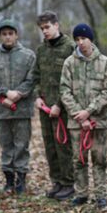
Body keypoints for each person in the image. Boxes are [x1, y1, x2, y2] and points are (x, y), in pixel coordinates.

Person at [60, 23, 107, 208]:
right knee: (79, 159)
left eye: (84, 38)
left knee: (100, 159)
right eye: (77, 39)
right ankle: (81, 193)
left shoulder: (104, 62)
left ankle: (100, 194)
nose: (80, 42)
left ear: (91, 39)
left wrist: (89, 111)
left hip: (98, 121)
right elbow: (64, 91)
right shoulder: (69, 63)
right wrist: (78, 114)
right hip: (76, 123)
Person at [0, 19, 36, 194]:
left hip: (22, 109)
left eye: (10, 33)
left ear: (16, 35)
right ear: (0, 36)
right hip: (2, 109)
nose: (7, 37)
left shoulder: (28, 56)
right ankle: (8, 181)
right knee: (6, 145)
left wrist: (18, 94)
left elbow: (32, 79)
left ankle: (21, 181)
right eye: (4, 34)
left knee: (22, 145)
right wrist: (5, 93)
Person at [33, 11, 77, 201]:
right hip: (45, 107)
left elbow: (73, 80)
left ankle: (69, 183)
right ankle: (57, 181)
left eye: (48, 27)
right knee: (49, 145)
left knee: (63, 145)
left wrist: (60, 104)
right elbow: (36, 76)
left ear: (56, 25)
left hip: (63, 108)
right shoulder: (41, 50)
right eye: (42, 28)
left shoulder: (70, 48)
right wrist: (37, 96)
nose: (45, 31)